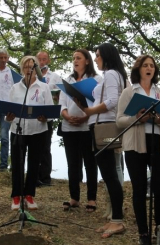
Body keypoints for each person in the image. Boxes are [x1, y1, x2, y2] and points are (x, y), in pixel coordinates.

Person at [117, 54, 160, 245]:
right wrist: (137, 117)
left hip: (158, 141)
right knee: (139, 188)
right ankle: (143, 233)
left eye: (152, 65)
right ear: (138, 69)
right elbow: (119, 120)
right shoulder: (129, 91)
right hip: (136, 142)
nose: (149, 68)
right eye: (145, 65)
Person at [77, 42, 127, 238]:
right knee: (108, 175)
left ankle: (118, 220)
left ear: (106, 56)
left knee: (110, 175)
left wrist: (89, 111)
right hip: (99, 124)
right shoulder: (112, 75)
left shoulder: (111, 74)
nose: (96, 59)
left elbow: (114, 101)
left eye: (97, 55)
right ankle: (114, 219)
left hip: (105, 125)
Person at [5, 55, 53, 210]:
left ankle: (29, 195)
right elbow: (7, 111)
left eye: (31, 67)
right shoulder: (15, 88)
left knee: (34, 164)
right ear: (21, 69)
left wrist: (45, 117)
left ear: (36, 69)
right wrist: (9, 117)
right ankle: (16, 196)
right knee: (17, 163)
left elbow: (51, 111)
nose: (28, 70)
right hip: (18, 129)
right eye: (25, 67)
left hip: (38, 130)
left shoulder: (43, 87)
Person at [59, 49, 101, 212]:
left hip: (88, 126)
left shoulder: (96, 79)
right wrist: (67, 116)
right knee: (72, 163)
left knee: (90, 163)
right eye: (73, 58)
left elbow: (98, 103)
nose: (75, 60)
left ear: (87, 61)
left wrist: (85, 117)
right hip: (69, 127)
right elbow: (62, 103)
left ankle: (92, 199)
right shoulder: (68, 80)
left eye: (78, 58)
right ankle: (74, 197)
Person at [35, 51, 62, 186]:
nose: (41, 62)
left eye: (44, 59)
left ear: (48, 61)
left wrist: (57, 97)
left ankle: (45, 177)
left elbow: (61, 94)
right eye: (39, 59)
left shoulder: (55, 77)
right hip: (33, 116)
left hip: (47, 116)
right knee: (33, 147)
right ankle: (34, 176)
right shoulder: (31, 75)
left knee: (45, 147)